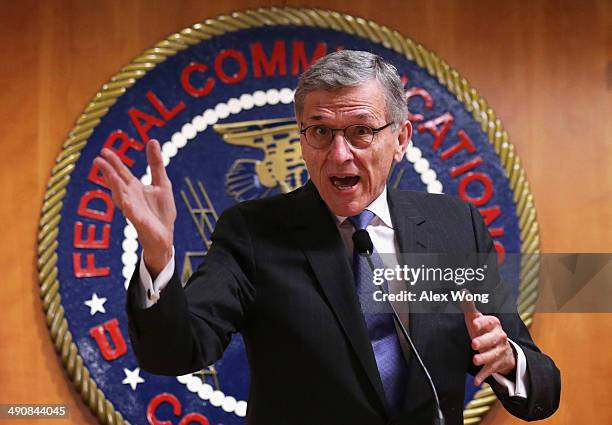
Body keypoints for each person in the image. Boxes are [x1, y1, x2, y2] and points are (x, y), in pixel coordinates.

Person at [95, 50, 560, 425]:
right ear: (302, 139)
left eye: (361, 132)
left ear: (400, 139)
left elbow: (542, 389)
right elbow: (176, 350)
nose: (340, 154)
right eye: (320, 132)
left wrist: (508, 359)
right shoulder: (254, 232)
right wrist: (157, 257)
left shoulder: (453, 228)